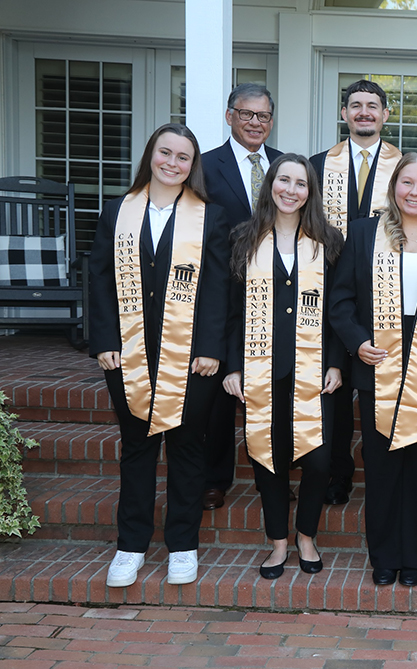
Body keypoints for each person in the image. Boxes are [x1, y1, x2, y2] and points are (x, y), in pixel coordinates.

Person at [89, 123, 230, 588]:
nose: (172, 163)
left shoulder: (210, 217)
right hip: (126, 351)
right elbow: (99, 278)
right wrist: (104, 339)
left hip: (192, 357)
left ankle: (183, 545)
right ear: (151, 155)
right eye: (165, 152)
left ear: (193, 166)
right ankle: (130, 546)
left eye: (183, 157)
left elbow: (218, 288)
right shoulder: (118, 211)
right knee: (137, 447)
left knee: (187, 447)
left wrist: (211, 348)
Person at [329, 153, 417, 587]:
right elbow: (341, 300)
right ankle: (384, 555)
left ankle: (415, 555)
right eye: (407, 183)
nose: (415, 192)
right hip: (381, 359)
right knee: (382, 464)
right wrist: (357, 341)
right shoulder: (362, 233)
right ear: (393, 187)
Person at [222, 154, 345, 579]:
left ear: (310, 192)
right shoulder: (243, 238)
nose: (291, 190)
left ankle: (306, 535)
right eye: (283, 180)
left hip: (316, 368)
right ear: (270, 184)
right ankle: (278, 542)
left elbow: (339, 310)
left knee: (319, 461)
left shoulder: (329, 241)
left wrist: (336, 362)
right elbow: (231, 310)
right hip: (259, 367)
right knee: (267, 456)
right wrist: (233, 366)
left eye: (300, 183)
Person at [311, 79, 403, 507]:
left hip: (385, 295)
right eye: (355, 105)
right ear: (344, 113)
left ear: (386, 114)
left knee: (377, 385)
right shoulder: (317, 166)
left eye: (372, 106)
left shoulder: (406, 170)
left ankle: (386, 470)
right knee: (332, 387)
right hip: (327, 291)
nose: (364, 112)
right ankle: (336, 472)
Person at [200, 83, 283, 512]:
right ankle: (214, 477)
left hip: (275, 293)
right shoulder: (203, 166)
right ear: (229, 115)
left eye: (263, 116)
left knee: (273, 387)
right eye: (246, 114)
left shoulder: (284, 166)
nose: (255, 122)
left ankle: (275, 475)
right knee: (218, 393)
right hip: (221, 291)